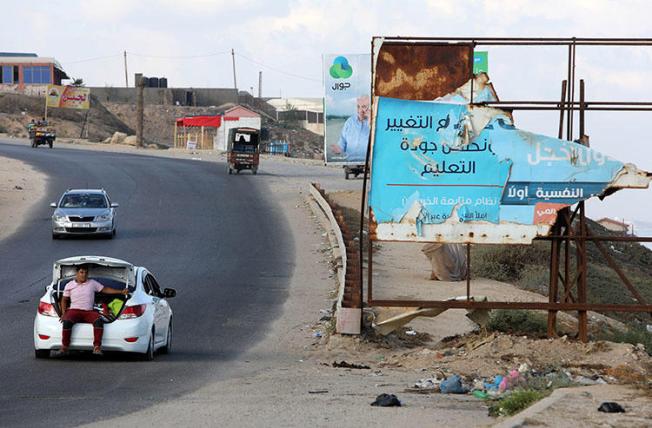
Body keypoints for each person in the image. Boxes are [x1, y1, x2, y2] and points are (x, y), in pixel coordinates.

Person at [60, 264, 128, 355]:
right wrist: (63, 313)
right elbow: (64, 300)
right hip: (74, 310)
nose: (84, 274)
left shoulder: (92, 283)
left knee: (98, 320)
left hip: (89, 311)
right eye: (81, 272)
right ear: (77, 273)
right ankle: (64, 347)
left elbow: (105, 289)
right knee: (67, 321)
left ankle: (97, 348)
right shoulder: (69, 285)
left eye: (86, 273)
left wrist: (121, 291)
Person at [330, 95, 370, 162]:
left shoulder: (376, 121)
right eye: (358, 106)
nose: (360, 110)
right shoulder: (349, 122)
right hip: (350, 163)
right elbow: (343, 140)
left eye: (364, 107)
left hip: (369, 164)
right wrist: (339, 148)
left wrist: (371, 119)